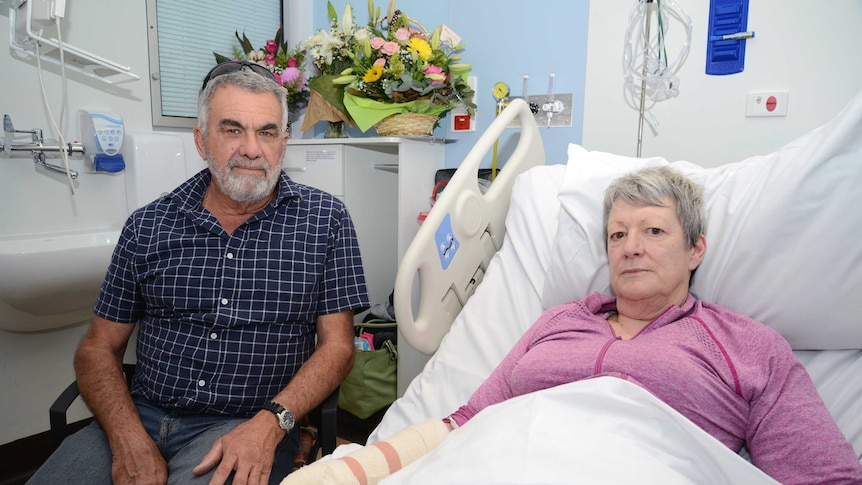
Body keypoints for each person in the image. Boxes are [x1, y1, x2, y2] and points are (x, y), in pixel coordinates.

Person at [285, 166, 862, 485]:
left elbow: (823, 477)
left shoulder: (747, 347)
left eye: (654, 232)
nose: (631, 248)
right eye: (617, 234)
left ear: (696, 250)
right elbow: (465, 421)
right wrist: (351, 471)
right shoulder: (559, 322)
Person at [29, 61, 369, 485]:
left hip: (245, 424)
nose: (250, 148)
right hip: (139, 417)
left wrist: (273, 423)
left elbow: (337, 347)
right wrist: (127, 437)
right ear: (201, 140)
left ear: (283, 143)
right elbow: (97, 348)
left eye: (266, 132)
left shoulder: (325, 221)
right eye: (231, 130)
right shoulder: (148, 225)